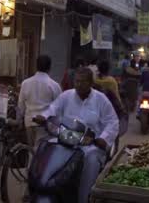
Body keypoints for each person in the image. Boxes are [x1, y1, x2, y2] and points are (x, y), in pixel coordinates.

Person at [34, 68, 119, 203]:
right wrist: (43, 117)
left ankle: (84, 198)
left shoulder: (100, 99)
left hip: (90, 144)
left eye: (83, 82)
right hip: (66, 139)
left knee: (91, 161)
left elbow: (112, 122)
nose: (78, 84)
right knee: (45, 148)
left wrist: (104, 138)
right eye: (77, 81)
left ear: (91, 83)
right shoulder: (66, 96)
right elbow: (52, 109)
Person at [17, 55, 62, 146]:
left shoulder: (25, 83)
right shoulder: (54, 85)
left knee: (31, 150)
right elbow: (59, 107)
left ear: (36, 66)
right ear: (49, 67)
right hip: (45, 124)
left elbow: (20, 104)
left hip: (29, 121)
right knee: (41, 153)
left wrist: (18, 121)